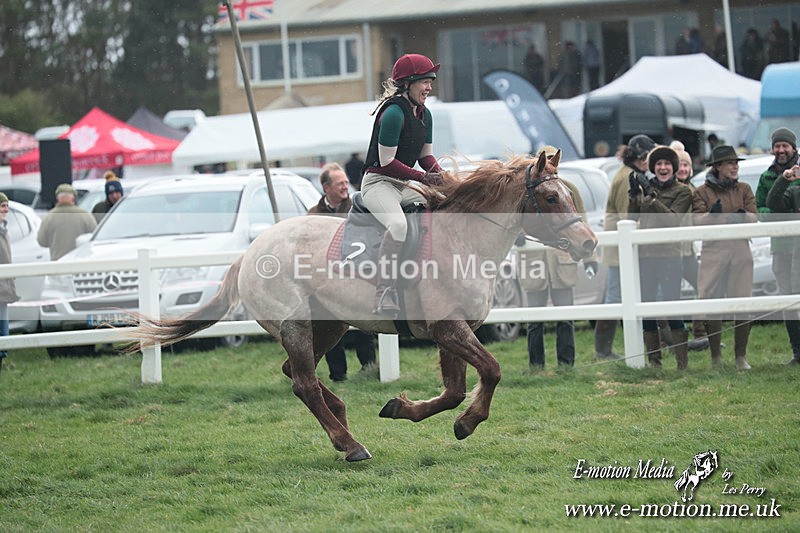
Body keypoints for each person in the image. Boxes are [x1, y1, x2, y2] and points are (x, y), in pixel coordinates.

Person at [361, 53, 444, 317]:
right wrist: (422, 178)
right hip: (379, 182)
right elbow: (386, 162)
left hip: (402, 184)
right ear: (408, 83)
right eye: (425, 81)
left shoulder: (425, 114)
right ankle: (384, 290)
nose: (429, 87)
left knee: (441, 202)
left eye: (431, 81)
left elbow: (426, 157)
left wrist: (445, 178)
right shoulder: (394, 113)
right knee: (397, 225)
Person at [520, 147, 597, 369]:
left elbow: (581, 223)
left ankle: (566, 364)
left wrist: (590, 257)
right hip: (533, 260)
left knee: (566, 316)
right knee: (535, 320)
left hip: (561, 259)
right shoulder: (528, 191)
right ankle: (536, 365)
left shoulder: (569, 190)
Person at [306, 163, 377, 381]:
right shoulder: (312, 214)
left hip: (356, 275)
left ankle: (370, 369)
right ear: (326, 187)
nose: (346, 187)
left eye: (346, 182)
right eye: (340, 184)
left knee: (364, 325)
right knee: (327, 327)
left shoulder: (359, 207)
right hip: (325, 281)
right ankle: (338, 375)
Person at [627, 146, 693, 368]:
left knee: (672, 305)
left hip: (670, 256)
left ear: (673, 168)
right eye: (658, 165)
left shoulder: (683, 191)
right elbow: (631, 216)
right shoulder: (648, 188)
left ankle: (681, 362)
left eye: (666, 164)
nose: (662, 168)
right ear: (653, 168)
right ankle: (654, 362)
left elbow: (673, 220)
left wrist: (653, 200)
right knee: (646, 307)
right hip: (646, 255)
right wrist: (633, 193)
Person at [692, 145, 757, 370]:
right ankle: (716, 358)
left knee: (742, 304)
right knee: (714, 305)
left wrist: (743, 217)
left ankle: (740, 357)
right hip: (714, 254)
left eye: (736, 163)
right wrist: (713, 216)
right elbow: (696, 221)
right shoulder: (702, 192)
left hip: (740, 254)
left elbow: (754, 215)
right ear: (718, 167)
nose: (735, 166)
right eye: (730, 163)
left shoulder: (745, 188)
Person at [593, 134, 656, 361]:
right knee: (614, 298)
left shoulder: (630, 174)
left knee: (618, 296)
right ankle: (602, 350)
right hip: (619, 250)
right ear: (641, 158)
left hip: (621, 249)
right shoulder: (627, 178)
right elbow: (626, 217)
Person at [758, 128, 800, 364]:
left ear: (794, 148)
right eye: (777, 146)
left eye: (785, 146)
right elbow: (761, 208)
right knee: (788, 299)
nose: (781, 150)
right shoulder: (766, 177)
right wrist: (775, 215)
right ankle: (797, 351)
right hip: (781, 246)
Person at [670, 141, 709, 351]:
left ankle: (701, 333)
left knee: (702, 286)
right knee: (671, 294)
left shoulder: (692, 188)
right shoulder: (671, 189)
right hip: (672, 251)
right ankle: (672, 340)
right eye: (680, 165)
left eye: (687, 165)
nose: (684, 169)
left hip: (688, 251)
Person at [37, 183, 97, 261]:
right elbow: (95, 238)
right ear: (73, 199)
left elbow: (42, 242)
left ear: (58, 199)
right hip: (80, 263)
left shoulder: (49, 217)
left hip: (58, 264)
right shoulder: (85, 215)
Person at [0, 193, 20, 370]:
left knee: (3, 333)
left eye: (6, 206)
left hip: (4, 287)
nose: (5, 210)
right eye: (2, 206)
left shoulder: (4, 230)